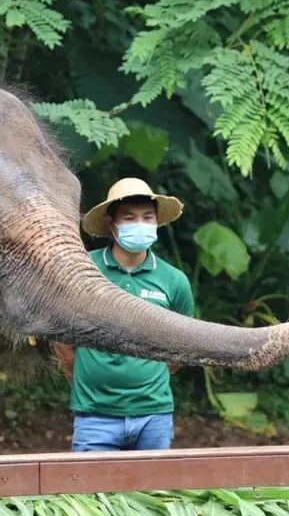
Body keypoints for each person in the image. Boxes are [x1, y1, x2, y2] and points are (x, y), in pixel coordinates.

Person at [52, 177, 194, 452]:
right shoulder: (83, 270)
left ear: (156, 223)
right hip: (95, 415)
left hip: (154, 414)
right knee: (90, 494)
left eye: (147, 217)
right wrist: (84, 377)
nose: (139, 224)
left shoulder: (174, 281)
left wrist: (148, 378)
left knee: (153, 495)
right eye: (129, 218)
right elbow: (62, 338)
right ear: (111, 223)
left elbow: (183, 347)